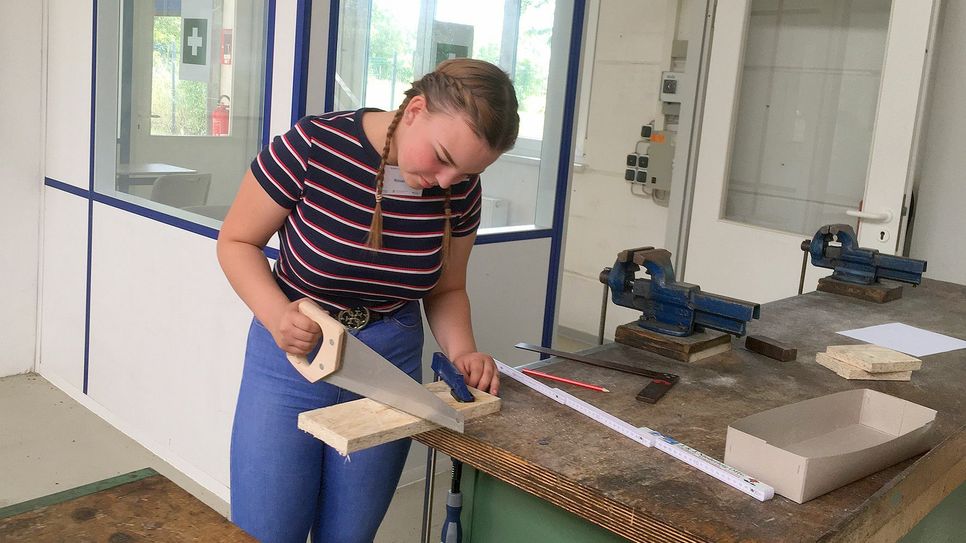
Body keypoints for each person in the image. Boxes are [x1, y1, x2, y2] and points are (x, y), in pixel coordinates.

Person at [216, 58, 519, 543]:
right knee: (266, 530)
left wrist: (463, 352)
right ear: (416, 109)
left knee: (350, 535)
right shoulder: (313, 146)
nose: (446, 182)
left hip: (389, 361)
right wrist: (277, 316)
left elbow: (447, 287)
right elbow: (235, 242)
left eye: (465, 173)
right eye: (442, 158)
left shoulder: (459, 189)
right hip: (294, 353)